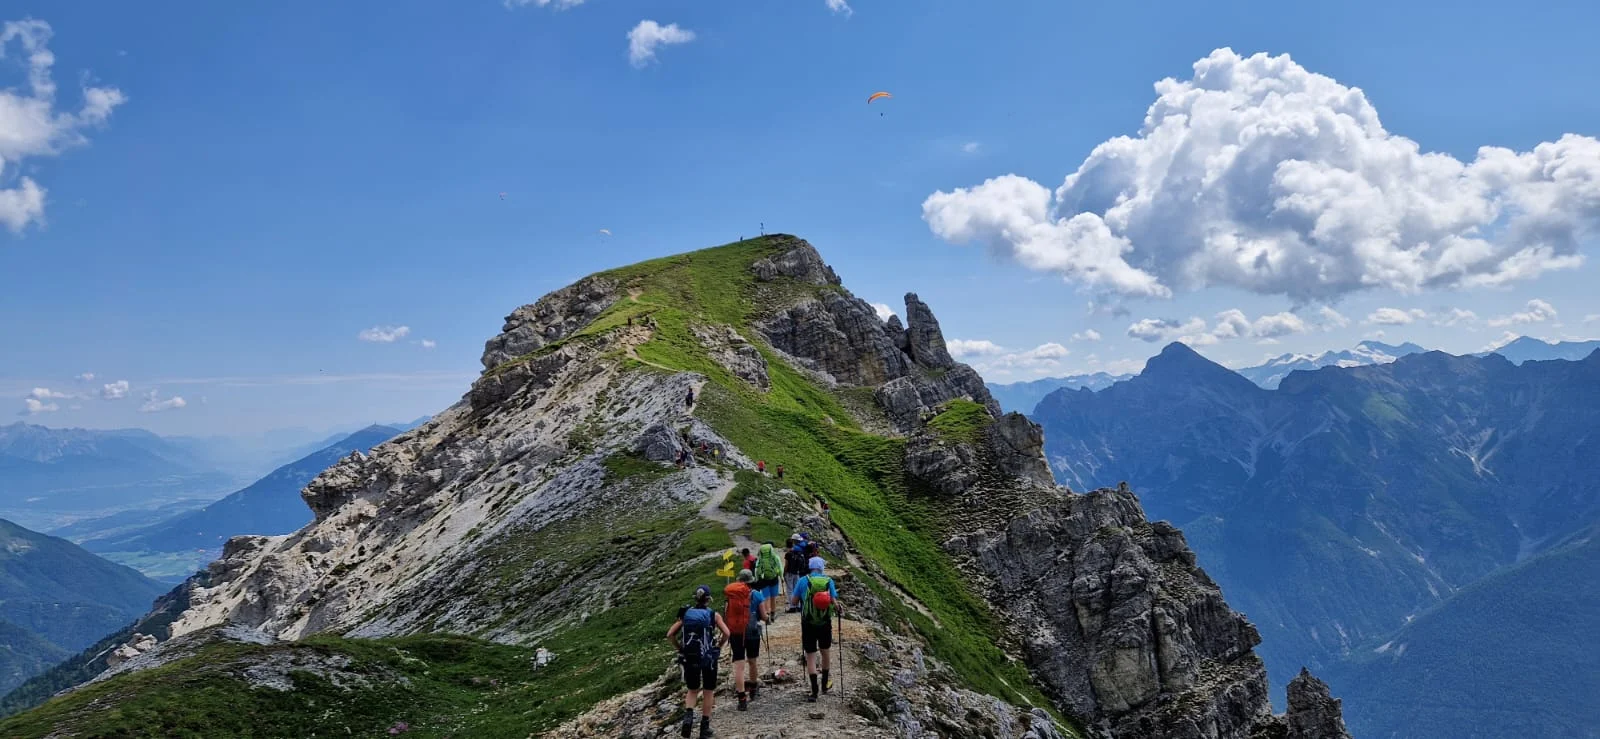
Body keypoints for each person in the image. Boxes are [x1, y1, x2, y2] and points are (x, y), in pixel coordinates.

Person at [667, 586, 730, 738]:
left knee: (692, 690)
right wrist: (718, 646)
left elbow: (670, 634)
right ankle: (704, 728)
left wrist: (680, 648)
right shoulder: (713, 615)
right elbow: (727, 633)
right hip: (708, 657)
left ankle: (688, 717)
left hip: (690, 656)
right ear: (708, 599)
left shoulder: (686, 614)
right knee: (708, 690)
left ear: (695, 598)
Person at [789, 556, 839, 702]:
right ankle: (824, 684)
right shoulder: (828, 581)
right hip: (824, 622)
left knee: (810, 655)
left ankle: (814, 690)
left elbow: (793, 602)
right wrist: (838, 608)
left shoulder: (803, 580)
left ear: (810, 567)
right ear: (822, 567)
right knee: (825, 652)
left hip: (808, 622)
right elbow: (834, 602)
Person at [723, 570, 769, 711]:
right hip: (752, 632)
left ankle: (742, 698)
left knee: (739, 665)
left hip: (736, 633)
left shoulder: (731, 596)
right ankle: (753, 689)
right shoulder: (757, 594)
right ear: (750, 581)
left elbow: (726, 615)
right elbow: (763, 616)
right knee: (752, 661)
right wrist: (768, 619)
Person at [783, 538, 807, 612]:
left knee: (790, 590)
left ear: (786, 545)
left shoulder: (788, 554)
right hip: (797, 572)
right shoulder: (797, 552)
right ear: (793, 544)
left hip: (789, 573)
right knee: (796, 589)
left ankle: (792, 606)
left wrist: (784, 573)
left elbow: (786, 565)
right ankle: (798, 606)